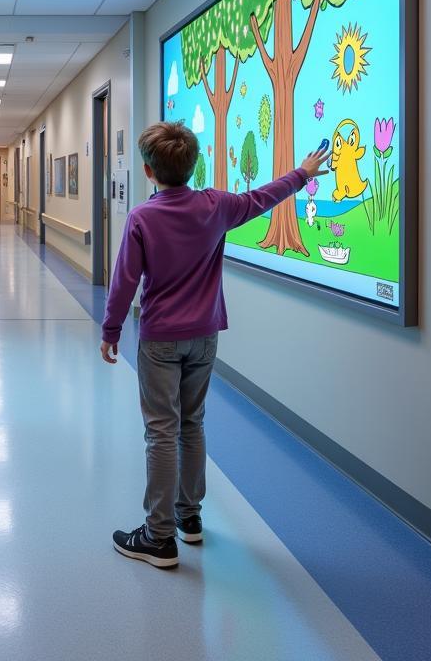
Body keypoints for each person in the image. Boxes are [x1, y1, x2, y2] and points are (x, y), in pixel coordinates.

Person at [100, 121, 330, 569]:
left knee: (161, 431)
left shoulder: (143, 218)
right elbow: (264, 197)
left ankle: (158, 536)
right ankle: (190, 518)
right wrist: (302, 173)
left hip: (161, 339)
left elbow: (124, 282)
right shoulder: (216, 206)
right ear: (193, 164)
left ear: (148, 172)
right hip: (205, 336)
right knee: (193, 424)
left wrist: (110, 332)